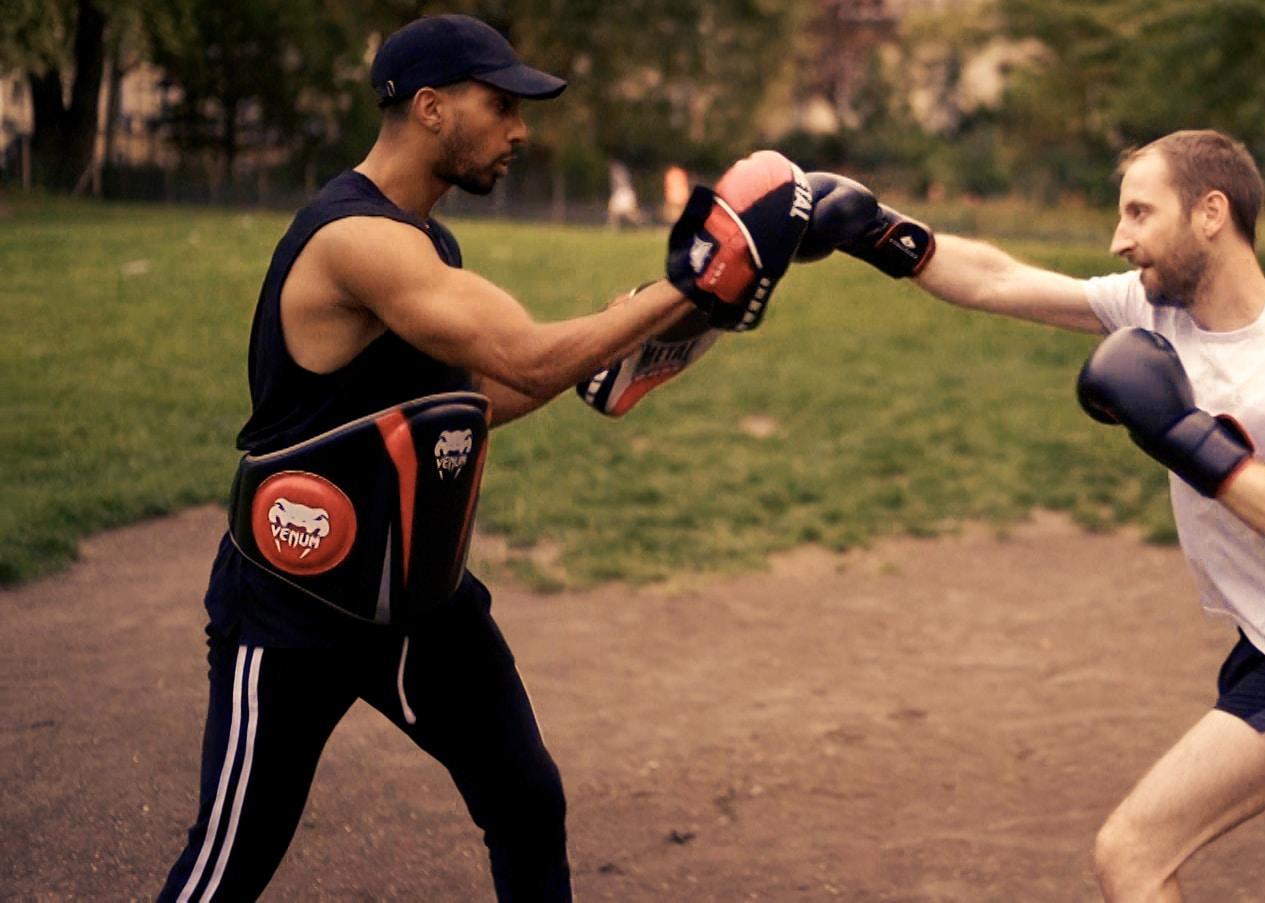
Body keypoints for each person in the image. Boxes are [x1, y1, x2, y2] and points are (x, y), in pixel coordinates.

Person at [157, 14, 811, 901]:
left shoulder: (427, 243)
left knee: (526, 802)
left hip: (423, 601)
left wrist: (622, 353)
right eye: (499, 105)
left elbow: (470, 402)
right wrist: (688, 283)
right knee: (230, 866)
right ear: (430, 108)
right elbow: (526, 355)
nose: (519, 130)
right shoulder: (355, 238)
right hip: (296, 604)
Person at [798, 130, 1265, 901]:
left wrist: (1180, 433)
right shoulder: (1153, 312)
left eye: (1140, 213)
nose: (1120, 240)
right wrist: (885, 234)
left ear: (1210, 213)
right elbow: (1000, 280)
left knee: (1131, 854)